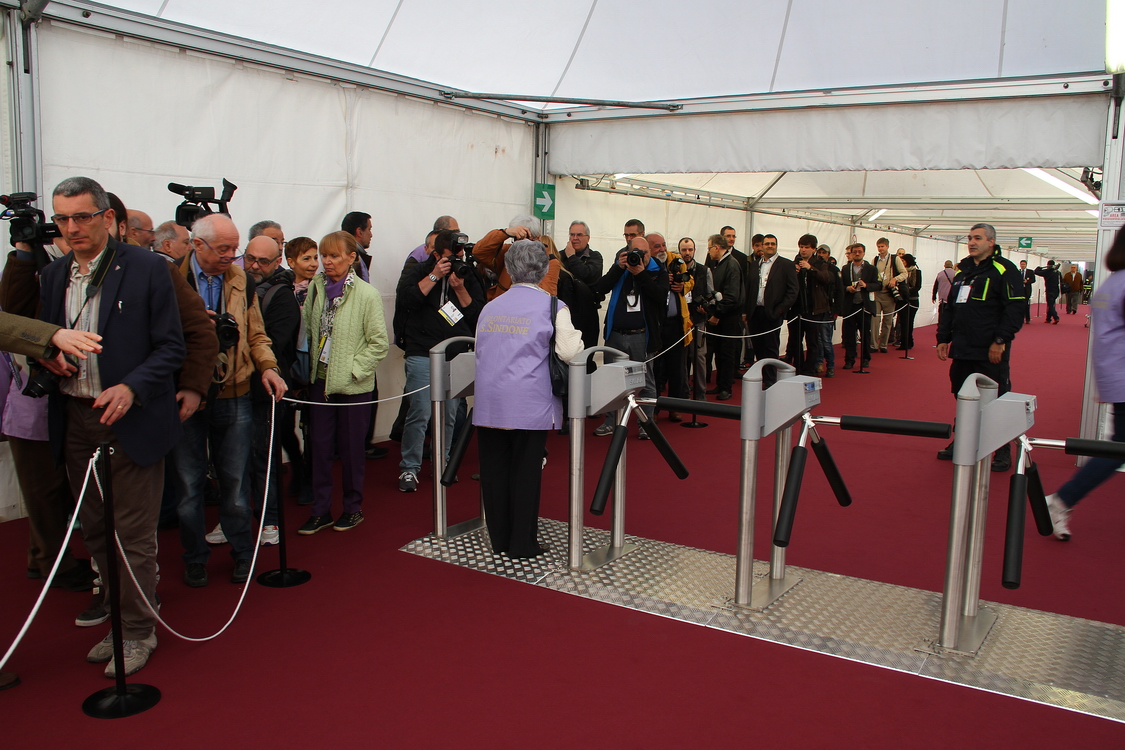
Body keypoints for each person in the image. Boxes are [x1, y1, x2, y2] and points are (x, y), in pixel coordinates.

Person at [38, 176, 185, 677]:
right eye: (62, 218)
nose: (71, 227)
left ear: (105, 217)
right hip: (77, 417)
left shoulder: (147, 268)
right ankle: (122, 621)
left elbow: (172, 346)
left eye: (81, 216)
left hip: (132, 418)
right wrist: (50, 360)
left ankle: (140, 630)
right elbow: (43, 341)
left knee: (133, 533)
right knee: (97, 531)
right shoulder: (54, 276)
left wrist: (132, 387)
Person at [170, 213, 287, 588]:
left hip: (235, 391)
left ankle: (241, 552)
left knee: (236, 482)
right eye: (224, 249)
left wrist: (268, 367)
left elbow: (257, 335)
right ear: (196, 245)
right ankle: (194, 558)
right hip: (186, 395)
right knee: (188, 485)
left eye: (234, 248)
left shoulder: (241, 279)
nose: (231, 256)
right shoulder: (170, 278)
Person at [473, 240, 583, 557]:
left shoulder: (490, 306)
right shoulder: (553, 307)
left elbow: (479, 348)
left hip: (490, 402)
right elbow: (569, 350)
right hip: (529, 404)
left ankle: (500, 539)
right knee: (525, 473)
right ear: (544, 269)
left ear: (509, 268)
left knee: (494, 474)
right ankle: (523, 543)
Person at [297, 232, 388, 533]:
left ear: (351, 258)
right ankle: (320, 509)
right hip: (318, 383)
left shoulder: (367, 294)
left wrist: (352, 370)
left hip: (353, 386)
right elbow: (309, 334)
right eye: (324, 255)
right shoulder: (315, 288)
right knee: (320, 449)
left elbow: (379, 344)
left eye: (334, 255)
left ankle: (352, 507)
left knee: (351, 451)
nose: (326, 261)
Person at [1045, 230, 1125, 540]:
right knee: (1117, 450)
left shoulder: (1111, 283)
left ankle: (1063, 499)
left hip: (1116, 375)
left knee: (1117, 448)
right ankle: (1063, 498)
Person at [395, 228, 486, 492]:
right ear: (435, 254)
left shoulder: (468, 275)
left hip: (456, 353)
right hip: (422, 351)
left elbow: (478, 314)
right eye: (449, 257)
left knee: (449, 414)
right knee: (420, 412)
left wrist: (459, 288)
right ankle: (409, 468)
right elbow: (407, 299)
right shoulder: (418, 270)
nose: (455, 262)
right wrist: (435, 275)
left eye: (459, 256)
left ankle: (443, 462)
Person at [936, 223, 1025, 471]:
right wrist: (943, 338)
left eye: (978, 238)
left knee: (996, 399)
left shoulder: (1004, 270)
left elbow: (1015, 308)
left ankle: (1002, 450)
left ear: (991, 242)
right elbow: (950, 307)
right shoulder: (963, 272)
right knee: (963, 396)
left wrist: (1000, 341)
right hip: (963, 348)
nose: (972, 242)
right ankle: (963, 440)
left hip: (990, 349)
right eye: (970, 238)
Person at [590, 235, 668, 435]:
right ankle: (611, 421)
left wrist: (641, 274)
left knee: (647, 382)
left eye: (644, 253)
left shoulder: (658, 271)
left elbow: (660, 297)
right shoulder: (621, 268)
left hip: (643, 335)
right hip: (616, 334)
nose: (639, 257)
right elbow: (600, 288)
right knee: (610, 381)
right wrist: (618, 267)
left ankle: (646, 424)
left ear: (650, 252)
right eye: (636, 253)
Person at [743, 234, 798, 387]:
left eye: (772, 244)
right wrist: (746, 312)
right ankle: (761, 378)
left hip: (773, 313)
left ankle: (770, 382)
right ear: (762, 246)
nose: (769, 246)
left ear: (776, 245)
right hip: (755, 313)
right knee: (758, 347)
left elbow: (793, 291)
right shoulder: (755, 265)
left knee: (771, 348)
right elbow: (749, 288)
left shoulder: (786, 265)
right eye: (767, 244)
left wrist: (780, 310)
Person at [648, 232, 693, 414]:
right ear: (649, 249)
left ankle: (675, 408)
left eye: (663, 245)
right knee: (657, 369)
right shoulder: (647, 264)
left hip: (677, 324)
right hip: (656, 324)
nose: (662, 249)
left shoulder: (677, 261)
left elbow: (690, 280)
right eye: (657, 246)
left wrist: (683, 286)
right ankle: (655, 410)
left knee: (677, 369)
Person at [702, 234, 743, 400]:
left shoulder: (732, 265)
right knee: (718, 352)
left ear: (717, 247)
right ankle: (720, 384)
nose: (709, 252)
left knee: (726, 353)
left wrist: (717, 315)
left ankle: (726, 387)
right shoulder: (719, 264)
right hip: (719, 315)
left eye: (710, 247)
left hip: (728, 318)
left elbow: (732, 296)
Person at [785, 234, 833, 376]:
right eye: (801, 247)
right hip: (796, 308)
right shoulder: (794, 263)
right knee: (795, 340)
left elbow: (825, 279)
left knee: (813, 341)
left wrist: (810, 268)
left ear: (813, 249)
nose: (803, 250)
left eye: (806, 247)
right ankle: (798, 368)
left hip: (814, 309)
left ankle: (810, 369)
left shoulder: (820, 263)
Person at [839, 244, 880, 370]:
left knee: (865, 335)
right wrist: (848, 288)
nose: (857, 254)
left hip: (864, 306)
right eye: (855, 252)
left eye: (859, 252)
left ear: (864, 253)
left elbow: (879, 285)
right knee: (849, 335)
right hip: (850, 306)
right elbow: (840, 286)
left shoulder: (871, 269)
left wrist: (866, 285)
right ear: (850, 253)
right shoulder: (845, 268)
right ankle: (849, 359)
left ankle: (866, 358)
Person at [870, 238, 907, 353]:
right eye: (879, 246)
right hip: (877, 294)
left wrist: (895, 279)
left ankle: (884, 344)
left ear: (887, 247)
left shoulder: (894, 259)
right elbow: (871, 274)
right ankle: (873, 345)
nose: (880, 249)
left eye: (882, 246)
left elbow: (904, 273)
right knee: (875, 320)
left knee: (888, 321)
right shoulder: (875, 260)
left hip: (890, 294)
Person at [816, 245, 842, 377]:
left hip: (829, 309)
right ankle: (819, 362)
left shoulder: (834, 270)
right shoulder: (815, 267)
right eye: (819, 252)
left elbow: (839, 291)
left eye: (824, 252)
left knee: (826, 339)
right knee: (817, 339)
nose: (821, 254)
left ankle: (830, 365)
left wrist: (836, 310)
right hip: (816, 309)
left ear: (829, 254)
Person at [561, 220, 604, 288]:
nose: (575, 238)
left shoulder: (595, 256)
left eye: (579, 235)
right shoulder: (560, 256)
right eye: (572, 235)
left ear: (588, 238)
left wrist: (571, 257)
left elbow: (588, 277)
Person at [895, 253, 921, 351]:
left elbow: (918, 286)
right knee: (902, 322)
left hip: (913, 300)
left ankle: (909, 341)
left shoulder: (917, 272)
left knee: (909, 322)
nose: (902, 263)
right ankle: (904, 342)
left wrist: (907, 291)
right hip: (902, 300)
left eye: (903, 261)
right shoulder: (899, 272)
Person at [285, 236, 319, 305]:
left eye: (315, 258)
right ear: (291, 262)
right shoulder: (283, 288)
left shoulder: (322, 286)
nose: (314, 264)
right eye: (306, 259)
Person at [341, 211, 374, 283]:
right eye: (369, 229)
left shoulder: (343, 254)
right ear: (359, 232)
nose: (371, 235)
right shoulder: (352, 258)